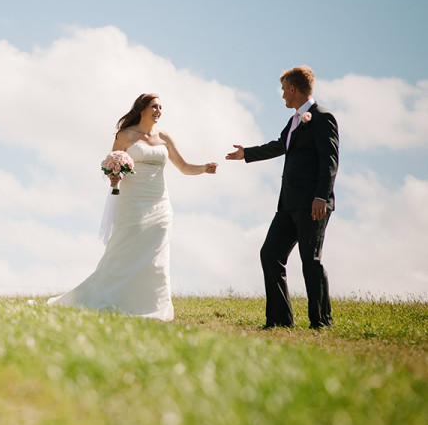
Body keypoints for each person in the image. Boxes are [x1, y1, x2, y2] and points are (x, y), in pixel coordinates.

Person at [49, 93, 218, 321]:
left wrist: (204, 168)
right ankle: (108, 297)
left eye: (160, 107)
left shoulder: (165, 137)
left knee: (156, 254)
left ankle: (151, 304)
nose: (158, 111)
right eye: (154, 107)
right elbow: (112, 165)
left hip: (160, 202)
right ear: (142, 109)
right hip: (132, 201)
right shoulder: (125, 135)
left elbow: (184, 166)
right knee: (125, 249)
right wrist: (113, 176)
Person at [225, 66, 339, 329]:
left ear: (293, 89)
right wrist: (247, 153)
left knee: (310, 260)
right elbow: (281, 145)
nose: (281, 96)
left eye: (283, 89)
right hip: (287, 204)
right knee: (270, 253)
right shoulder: (295, 120)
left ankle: (321, 322)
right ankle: (279, 321)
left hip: (313, 204)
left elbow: (330, 161)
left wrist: (321, 196)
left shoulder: (323, 118)